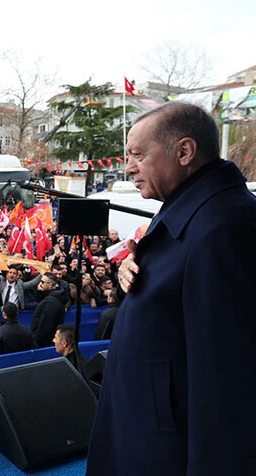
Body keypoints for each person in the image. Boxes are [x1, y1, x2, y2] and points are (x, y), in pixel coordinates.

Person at [88, 102, 256, 474]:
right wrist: (138, 273)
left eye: (137, 155)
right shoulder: (192, 208)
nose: (128, 166)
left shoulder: (224, 228)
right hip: (148, 433)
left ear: (184, 152)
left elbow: (226, 381)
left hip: (166, 451)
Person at [29, 273, 65, 348]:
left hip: (45, 343)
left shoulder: (51, 302)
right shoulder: (49, 298)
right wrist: (39, 292)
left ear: (50, 285)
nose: (40, 284)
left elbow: (45, 326)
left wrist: (34, 341)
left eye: (42, 282)